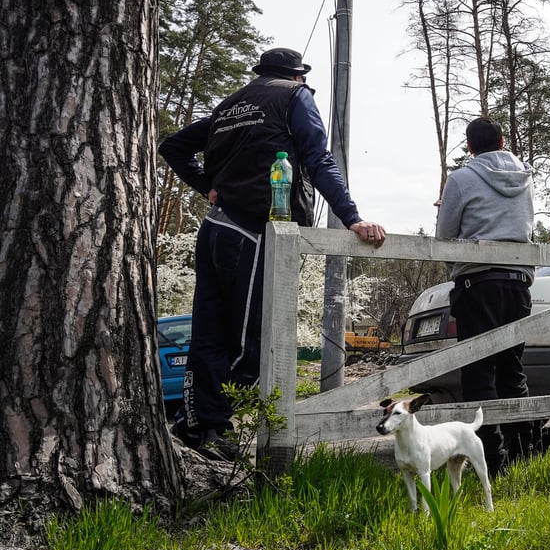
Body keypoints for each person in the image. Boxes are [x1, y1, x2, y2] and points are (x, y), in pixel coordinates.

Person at [159, 47, 385, 459]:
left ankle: (197, 428)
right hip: (255, 229)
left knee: (209, 334)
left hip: (215, 227)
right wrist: (351, 217)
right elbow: (318, 158)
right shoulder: (294, 97)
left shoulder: (230, 105)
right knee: (250, 340)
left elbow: (172, 147)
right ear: (298, 76)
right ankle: (221, 429)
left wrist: (205, 185)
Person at [435, 116, 536, 474]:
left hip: (477, 283)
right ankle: (525, 456)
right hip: (518, 281)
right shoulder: (525, 178)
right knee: (512, 370)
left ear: (469, 147)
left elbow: (445, 238)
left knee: (480, 374)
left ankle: (494, 463)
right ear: (503, 141)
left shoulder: (461, 179)